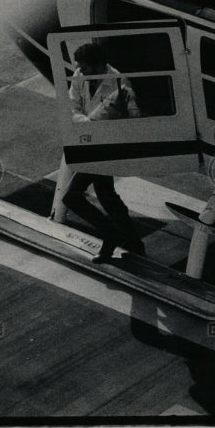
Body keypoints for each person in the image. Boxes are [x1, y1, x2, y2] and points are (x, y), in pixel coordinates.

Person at [56, 42, 144, 263]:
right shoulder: (80, 74)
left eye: (86, 68)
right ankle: (132, 241)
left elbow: (133, 121)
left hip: (107, 147)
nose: (81, 71)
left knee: (72, 197)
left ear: (99, 65)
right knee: (106, 195)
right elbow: (71, 106)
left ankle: (111, 234)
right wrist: (86, 122)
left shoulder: (120, 84)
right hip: (89, 141)